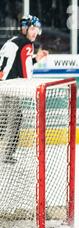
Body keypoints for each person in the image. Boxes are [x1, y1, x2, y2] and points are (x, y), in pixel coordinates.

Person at [0, 15, 48, 164]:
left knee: (6, 119)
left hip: (3, 85)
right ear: (24, 29)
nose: (35, 32)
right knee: (14, 119)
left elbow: (17, 65)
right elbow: (26, 73)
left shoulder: (13, 41)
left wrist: (35, 59)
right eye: (32, 29)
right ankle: (5, 154)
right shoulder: (26, 44)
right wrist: (31, 89)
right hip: (9, 88)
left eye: (36, 29)